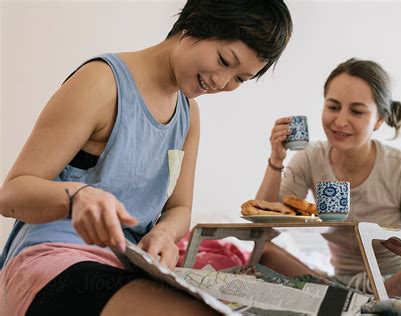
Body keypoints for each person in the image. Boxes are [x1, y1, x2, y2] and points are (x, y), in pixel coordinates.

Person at [0, 1, 293, 315]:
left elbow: (180, 208)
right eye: (224, 60)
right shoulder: (101, 82)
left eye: (239, 79)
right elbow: (11, 194)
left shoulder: (188, 115)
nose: (222, 82)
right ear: (194, 21)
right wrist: (78, 197)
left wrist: (164, 234)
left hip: (126, 264)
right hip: (55, 256)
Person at [255, 58, 401, 301]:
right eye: (333, 107)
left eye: (356, 111)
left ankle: (358, 304)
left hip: (395, 283)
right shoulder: (311, 158)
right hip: (339, 285)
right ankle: (352, 304)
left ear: (379, 120)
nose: (340, 121)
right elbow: (264, 230)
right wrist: (276, 160)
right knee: (264, 252)